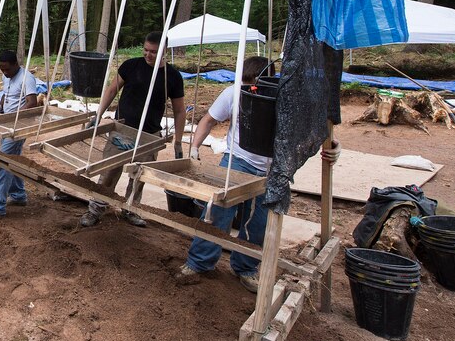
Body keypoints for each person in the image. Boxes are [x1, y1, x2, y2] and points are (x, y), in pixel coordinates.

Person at [176, 56, 341, 292]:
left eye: (256, 83)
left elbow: (314, 126)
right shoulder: (234, 93)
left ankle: (246, 268)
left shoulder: (284, 100)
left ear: (270, 80)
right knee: (217, 212)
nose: (251, 88)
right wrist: (193, 147)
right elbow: (208, 120)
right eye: (247, 83)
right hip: (237, 161)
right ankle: (199, 262)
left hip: (269, 169)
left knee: (258, 223)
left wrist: (334, 145)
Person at [81, 30, 186, 228]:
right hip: (122, 129)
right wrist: (98, 114)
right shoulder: (131, 66)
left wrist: (178, 142)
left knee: (139, 176)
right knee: (109, 171)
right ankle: (96, 209)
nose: (148, 55)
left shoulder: (172, 76)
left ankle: (131, 209)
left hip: (149, 135)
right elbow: (112, 89)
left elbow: (180, 111)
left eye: (153, 52)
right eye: (145, 50)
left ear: (164, 51)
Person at [0, 50, 39, 218]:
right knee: (11, 160)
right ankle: (18, 195)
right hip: (6, 125)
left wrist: (15, 116)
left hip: (19, 126)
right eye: (2, 70)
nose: (5, 73)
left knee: (2, 161)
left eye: (7, 69)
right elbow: (6, 95)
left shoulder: (27, 78)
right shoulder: (7, 76)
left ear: (15, 65)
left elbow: (32, 103)